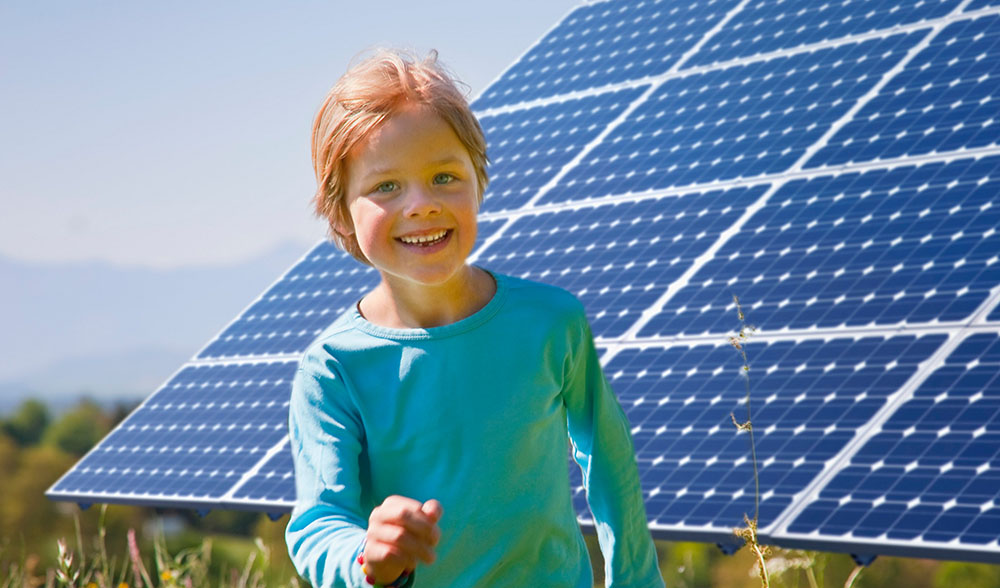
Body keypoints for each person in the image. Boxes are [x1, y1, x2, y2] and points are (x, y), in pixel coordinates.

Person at [285, 48, 663, 588]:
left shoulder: (552, 322)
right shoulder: (333, 370)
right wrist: (369, 557)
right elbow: (318, 523)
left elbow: (609, 458)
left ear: (479, 180)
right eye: (385, 186)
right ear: (342, 212)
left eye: (444, 176)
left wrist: (637, 581)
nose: (421, 204)